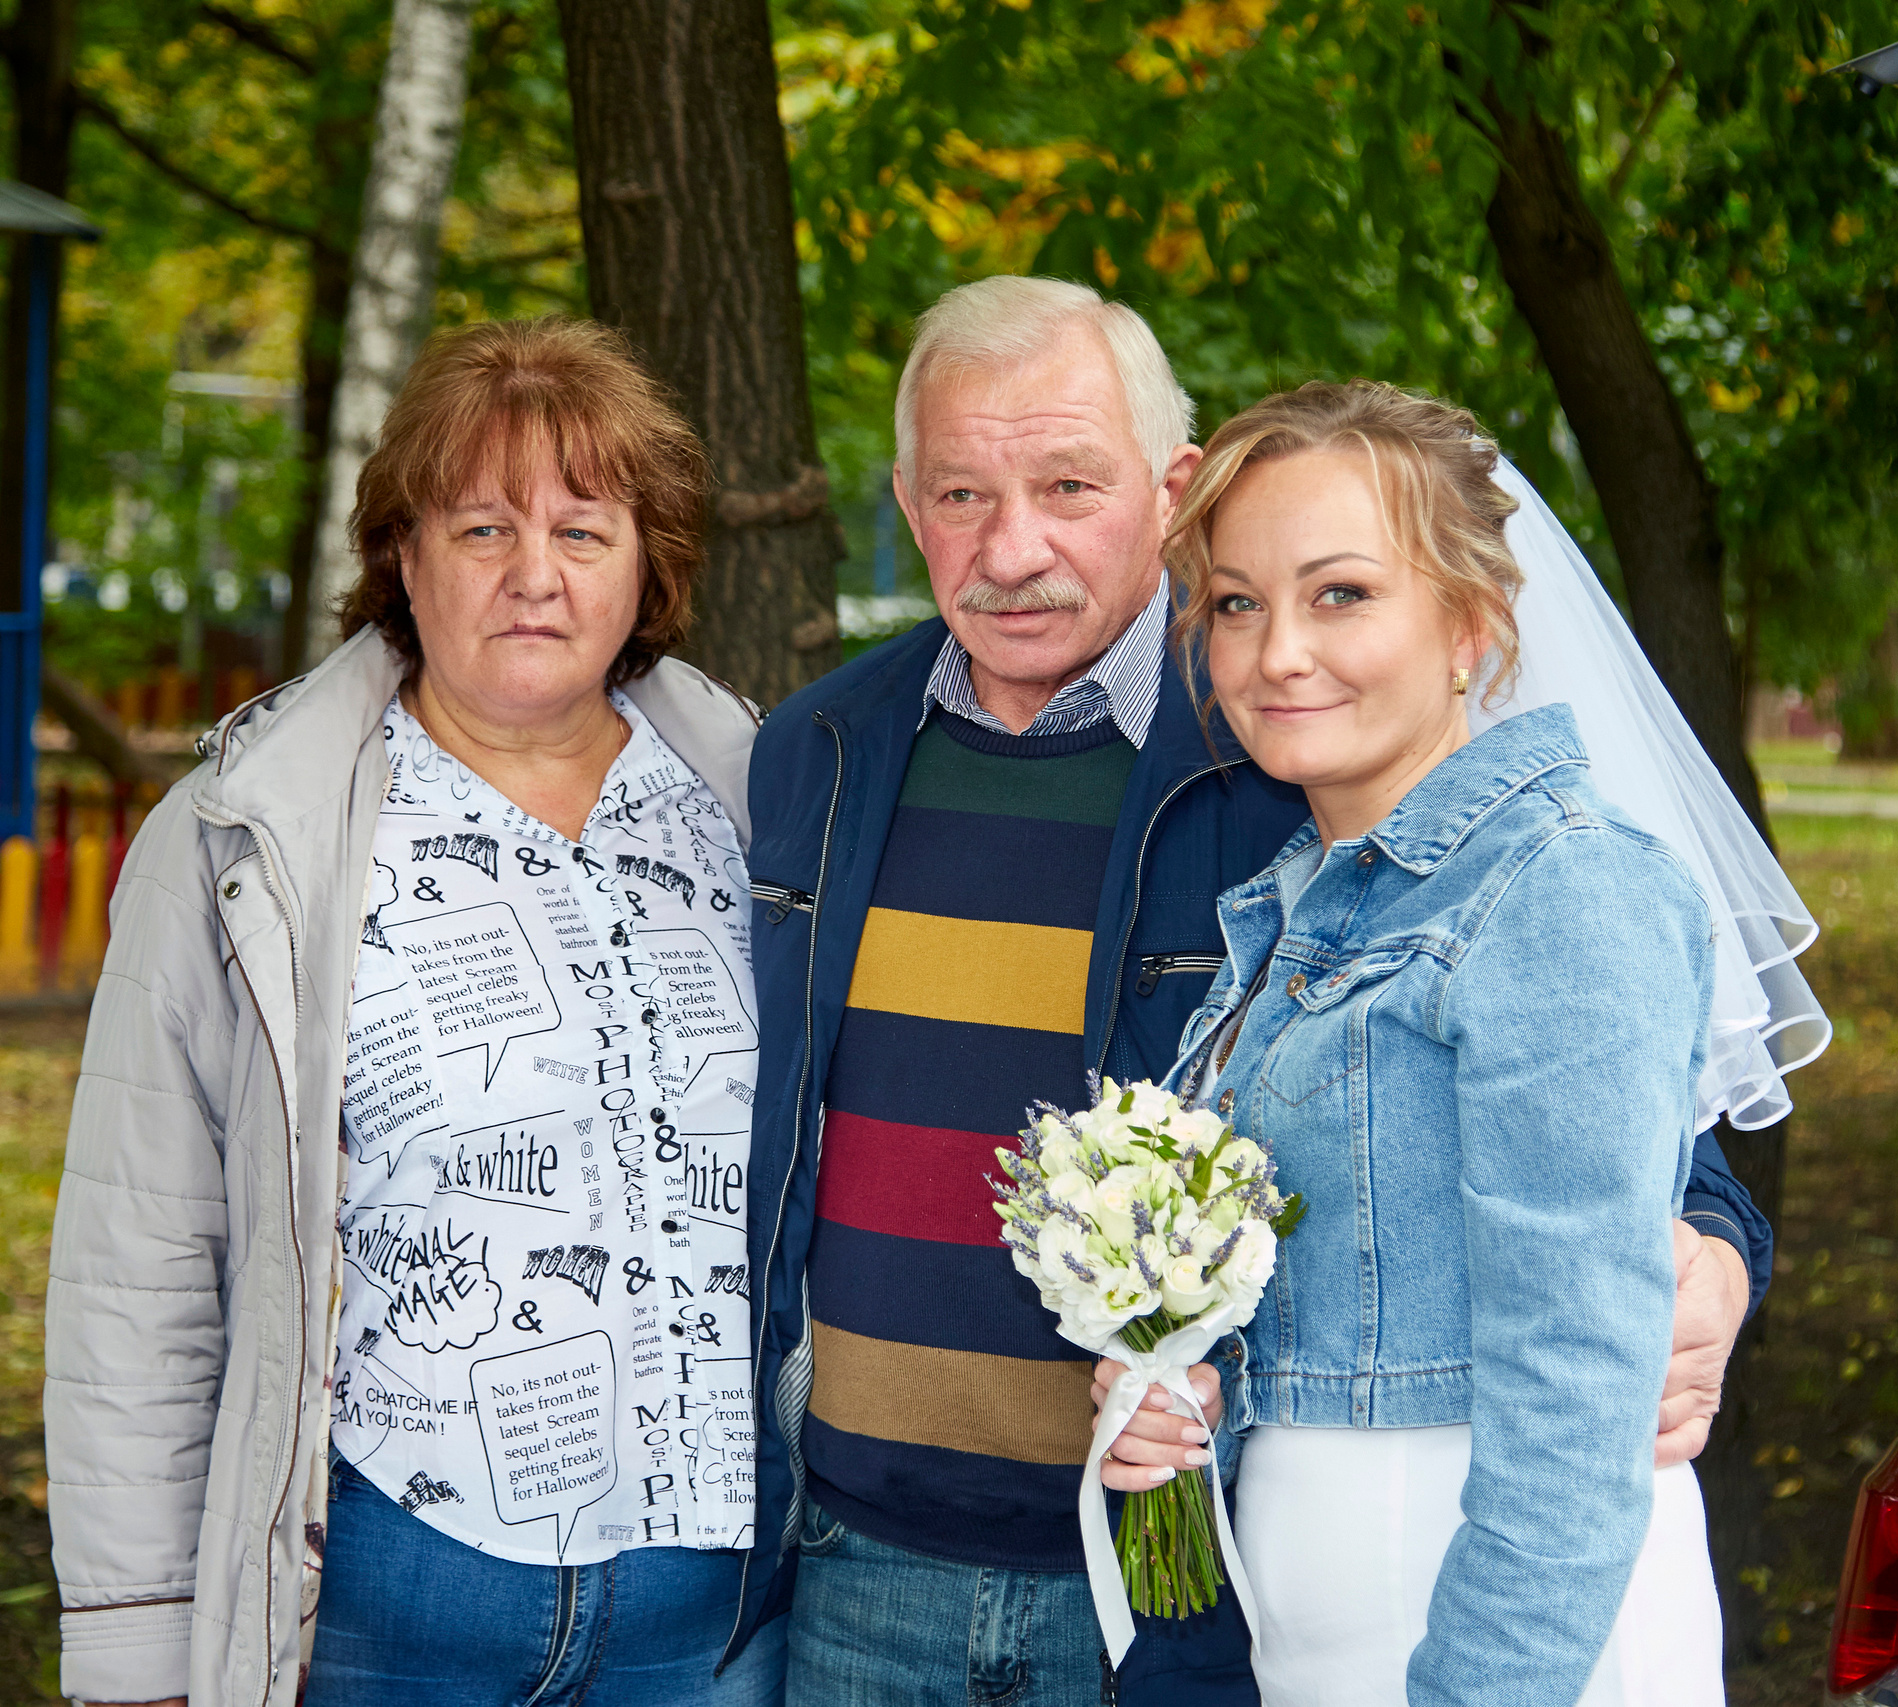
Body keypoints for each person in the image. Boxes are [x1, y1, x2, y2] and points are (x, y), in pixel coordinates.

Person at [725, 277, 1783, 1706]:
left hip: (1186, 1597)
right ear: (908, 504)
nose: (1011, 546)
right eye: (963, 494)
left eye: (1068, 485)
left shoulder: (1282, 759)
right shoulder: (817, 753)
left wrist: (1713, 1245)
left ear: (1167, 492)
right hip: (873, 1560)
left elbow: (1602, 1135)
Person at [43, 316, 780, 1707]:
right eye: (483, 529)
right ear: (403, 555)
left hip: (711, 1623)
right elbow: (139, 1259)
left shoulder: (755, 809)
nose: (534, 579)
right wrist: (137, 1641)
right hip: (386, 1607)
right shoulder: (248, 837)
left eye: (583, 532)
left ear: (648, 564)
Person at [1110, 378, 1827, 1705]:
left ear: (1472, 623)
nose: (1278, 652)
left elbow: (1571, 1404)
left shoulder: (1559, 891)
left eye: (1341, 594)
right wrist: (1174, 1382)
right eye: (1236, 603)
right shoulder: (1297, 901)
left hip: (1493, 1641)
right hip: (1316, 1624)